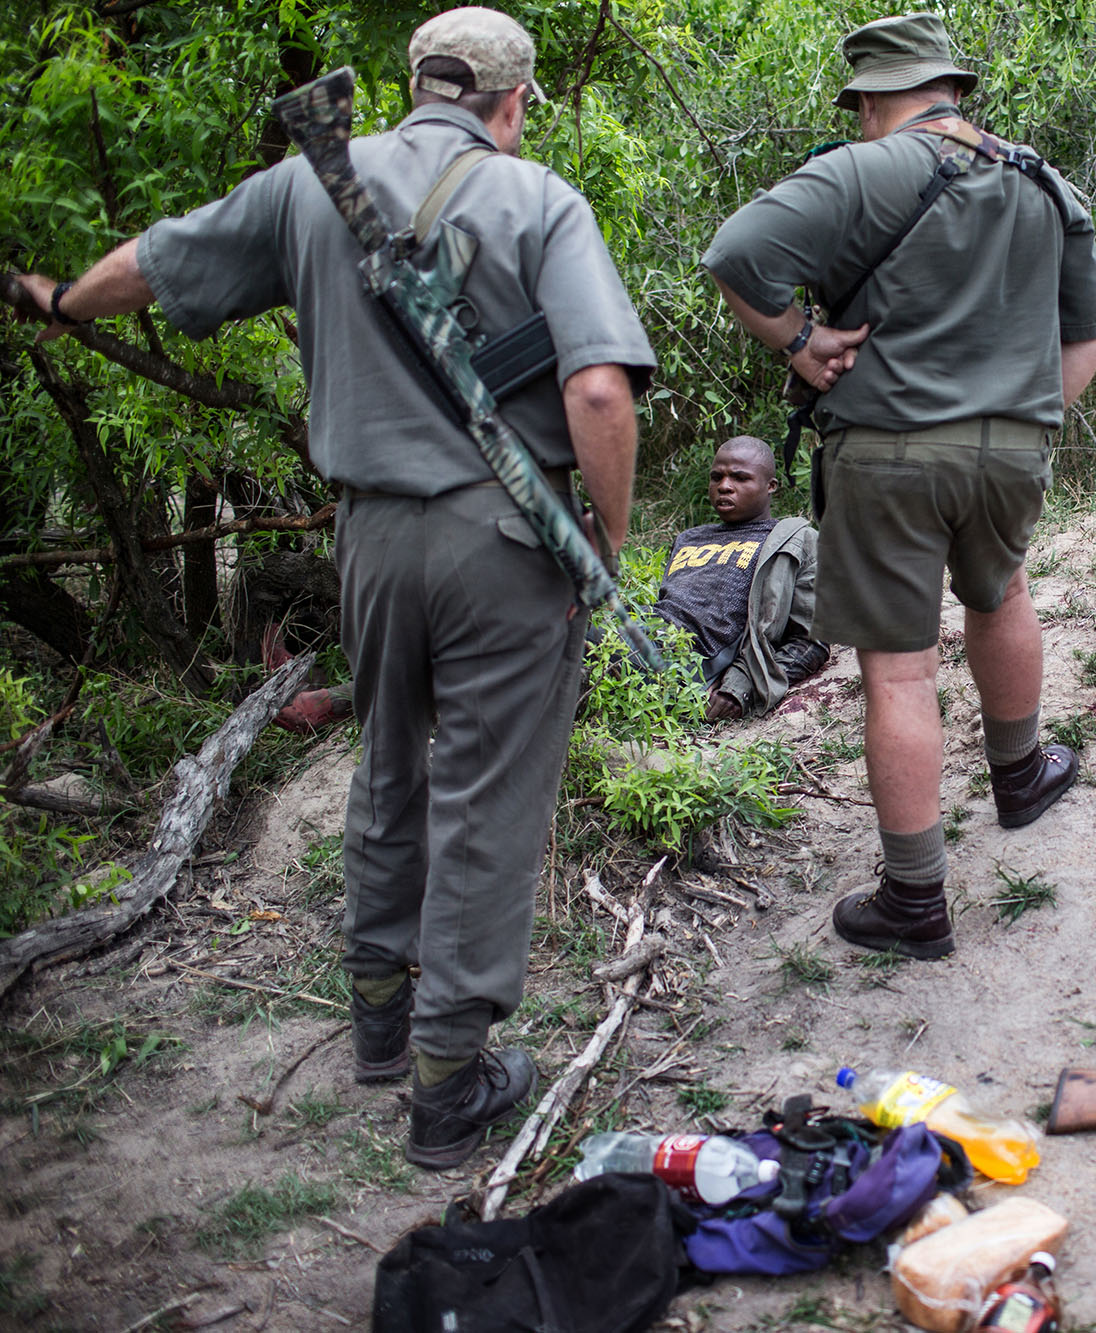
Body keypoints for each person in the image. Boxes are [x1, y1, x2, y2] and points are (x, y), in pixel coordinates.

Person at [13, 7, 657, 1167]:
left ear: (414, 84)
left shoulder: (307, 183)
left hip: (365, 536)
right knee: (484, 792)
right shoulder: (539, 199)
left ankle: (376, 1019)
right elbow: (600, 394)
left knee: (387, 759)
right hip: (504, 539)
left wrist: (56, 301)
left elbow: (153, 264)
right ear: (510, 103)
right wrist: (600, 546)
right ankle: (450, 1078)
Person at [700, 13, 1096, 960]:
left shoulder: (861, 170)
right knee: (1004, 591)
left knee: (899, 668)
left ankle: (916, 901)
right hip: (1013, 449)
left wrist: (800, 344)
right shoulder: (1043, 182)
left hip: (888, 452)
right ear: (953, 90)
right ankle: (1021, 777)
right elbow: (1090, 330)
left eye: (858, 108)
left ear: (874, 99)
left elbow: (737, 252)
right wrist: (1028, 414)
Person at [654, 435, 828, 720]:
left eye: (740, 478)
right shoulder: (689, 538)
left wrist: (740, 687)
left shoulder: (794, 540)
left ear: (770, 486)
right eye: (716, 477)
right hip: (648, 638)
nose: (724, 486)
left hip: (696, 662)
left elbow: (811, 643)